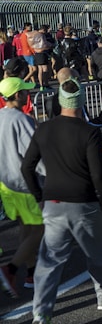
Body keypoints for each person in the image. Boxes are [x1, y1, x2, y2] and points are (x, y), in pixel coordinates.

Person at [21, 71, 102, 324]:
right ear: (80, 102)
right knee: (100, 254)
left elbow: (27, 167)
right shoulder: (89, 132)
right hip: (84, 203)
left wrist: (38, 195)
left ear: (60, 100)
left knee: (49, 262)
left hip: (53, 202)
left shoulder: (44, 129)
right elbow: (97, 172)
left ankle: (41, 317)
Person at [0, 76, 43, 298]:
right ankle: (12, 269)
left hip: (5, 184)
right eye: (25, 91)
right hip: (24, 184)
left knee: (25, 228)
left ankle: (31, 274)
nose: (28, 94)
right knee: (39, 230)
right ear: (17, 95)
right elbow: (34, 154)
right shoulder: (21, 120)